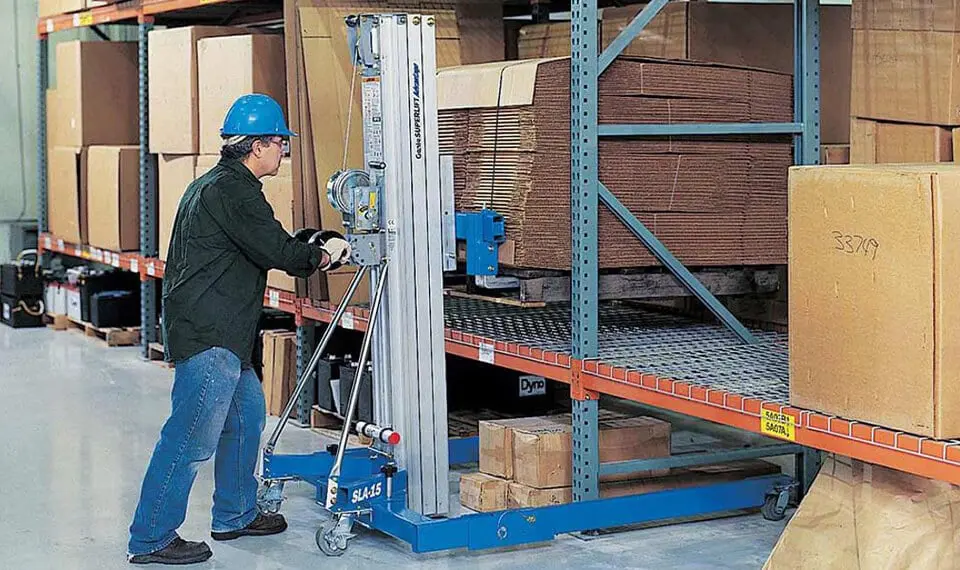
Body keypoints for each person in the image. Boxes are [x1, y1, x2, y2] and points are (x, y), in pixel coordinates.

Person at [127, 94, 350, 565]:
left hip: (219, 328)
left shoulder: (216, 185)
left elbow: (263, 243)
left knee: (248, 417)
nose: (282, 153)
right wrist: (326, 254)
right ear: (258, 147)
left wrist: (302, 244)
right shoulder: (236, 192)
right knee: (189, 439)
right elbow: (280, 254)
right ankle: (151, 537)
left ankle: (235, 513)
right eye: (279, 144)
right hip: (211, 334)